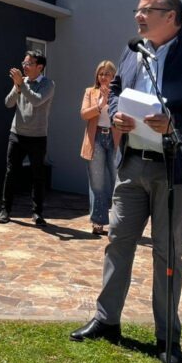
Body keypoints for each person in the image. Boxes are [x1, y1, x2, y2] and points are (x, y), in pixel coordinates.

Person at [69, 0, 182, 363]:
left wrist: (178, 124)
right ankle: (106, 320)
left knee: (167, 253)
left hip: (177, 170)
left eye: (147, 10)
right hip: (133, 166)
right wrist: (115, 112)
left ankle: (167, 338)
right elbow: (115, 89)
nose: (138, 16)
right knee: (118, 242)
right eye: (138, 9)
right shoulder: (133, 51)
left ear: (172, 15)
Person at [0, 50, 55, 227]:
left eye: (28, 64)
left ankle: (37, 213)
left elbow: (36, 101)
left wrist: (22, 85)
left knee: (38, 176)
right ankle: (5, 210)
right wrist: (17, 87)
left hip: (37, 137)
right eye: (24, 63)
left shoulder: (48, 84)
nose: (24, 66)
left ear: (40, 67)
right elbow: (8, 103)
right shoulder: (21, 83)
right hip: (17, 135)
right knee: (10, 172)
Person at [80, 60, 120, 235]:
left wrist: (111, 99)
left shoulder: (119, 94)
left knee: (118, 180)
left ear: (114, 76)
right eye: (100, 73)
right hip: (95, 137)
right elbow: (84, 114)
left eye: (107, 74)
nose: (103, 77)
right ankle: (98, 222)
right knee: (97, 182)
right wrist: (100, 104)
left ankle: (119, 222)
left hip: (115, 138)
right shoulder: (91, 91)